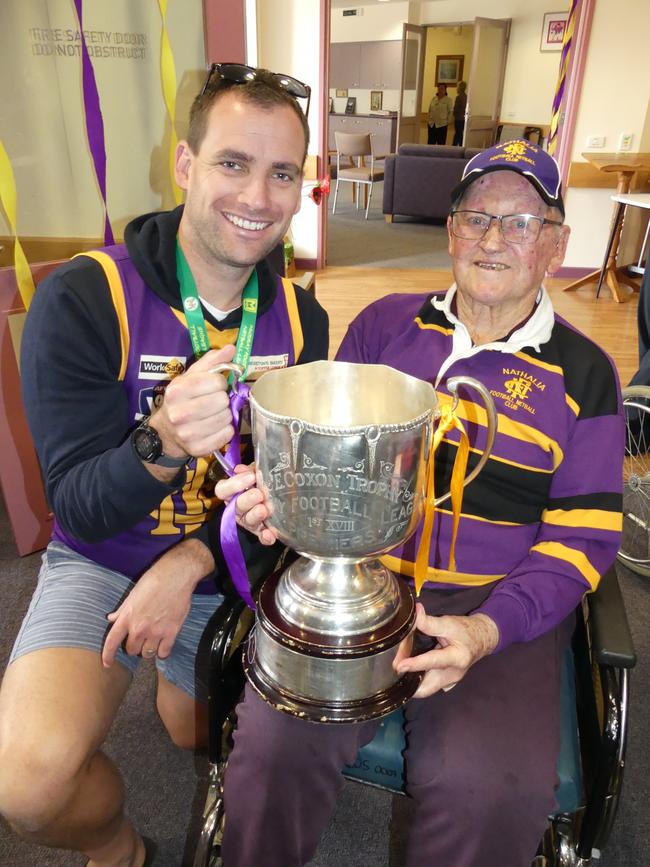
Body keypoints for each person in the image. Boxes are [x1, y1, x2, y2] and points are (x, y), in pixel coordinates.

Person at [213, 140, 624, 867]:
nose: (494, 239)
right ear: (450, 231)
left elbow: (584, 539)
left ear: (555, 245)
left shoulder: (585, 375)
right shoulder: (383, 326)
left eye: (521, 223)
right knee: (270, 749)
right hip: (363, 584)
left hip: (497, 603)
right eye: (476, 218)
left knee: (488, 788)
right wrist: (278, 506)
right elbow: (323, 460)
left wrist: (489, 628)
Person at [0, 64, 328, 867]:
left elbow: (293, 502)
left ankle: (177, 677)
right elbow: (76, 507)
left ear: (300, 187)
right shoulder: (85, 296)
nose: (257, 195)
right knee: (26, 782)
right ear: (184, 165)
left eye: (281, 172)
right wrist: (163, 441)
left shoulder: (301, 320)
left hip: (227, 568)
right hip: (101, 558)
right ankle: (118, 849)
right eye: (231, 163)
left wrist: (188, 561)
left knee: (198, 731)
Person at [452, 80, 468, 146]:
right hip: (464, 118)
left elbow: (456, 109)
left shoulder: (458, 97)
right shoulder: (466, 97)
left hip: (458, 118)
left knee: (458, 133)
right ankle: (460, 145)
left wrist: (453, 115)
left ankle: (454, 147)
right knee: (460, 133)